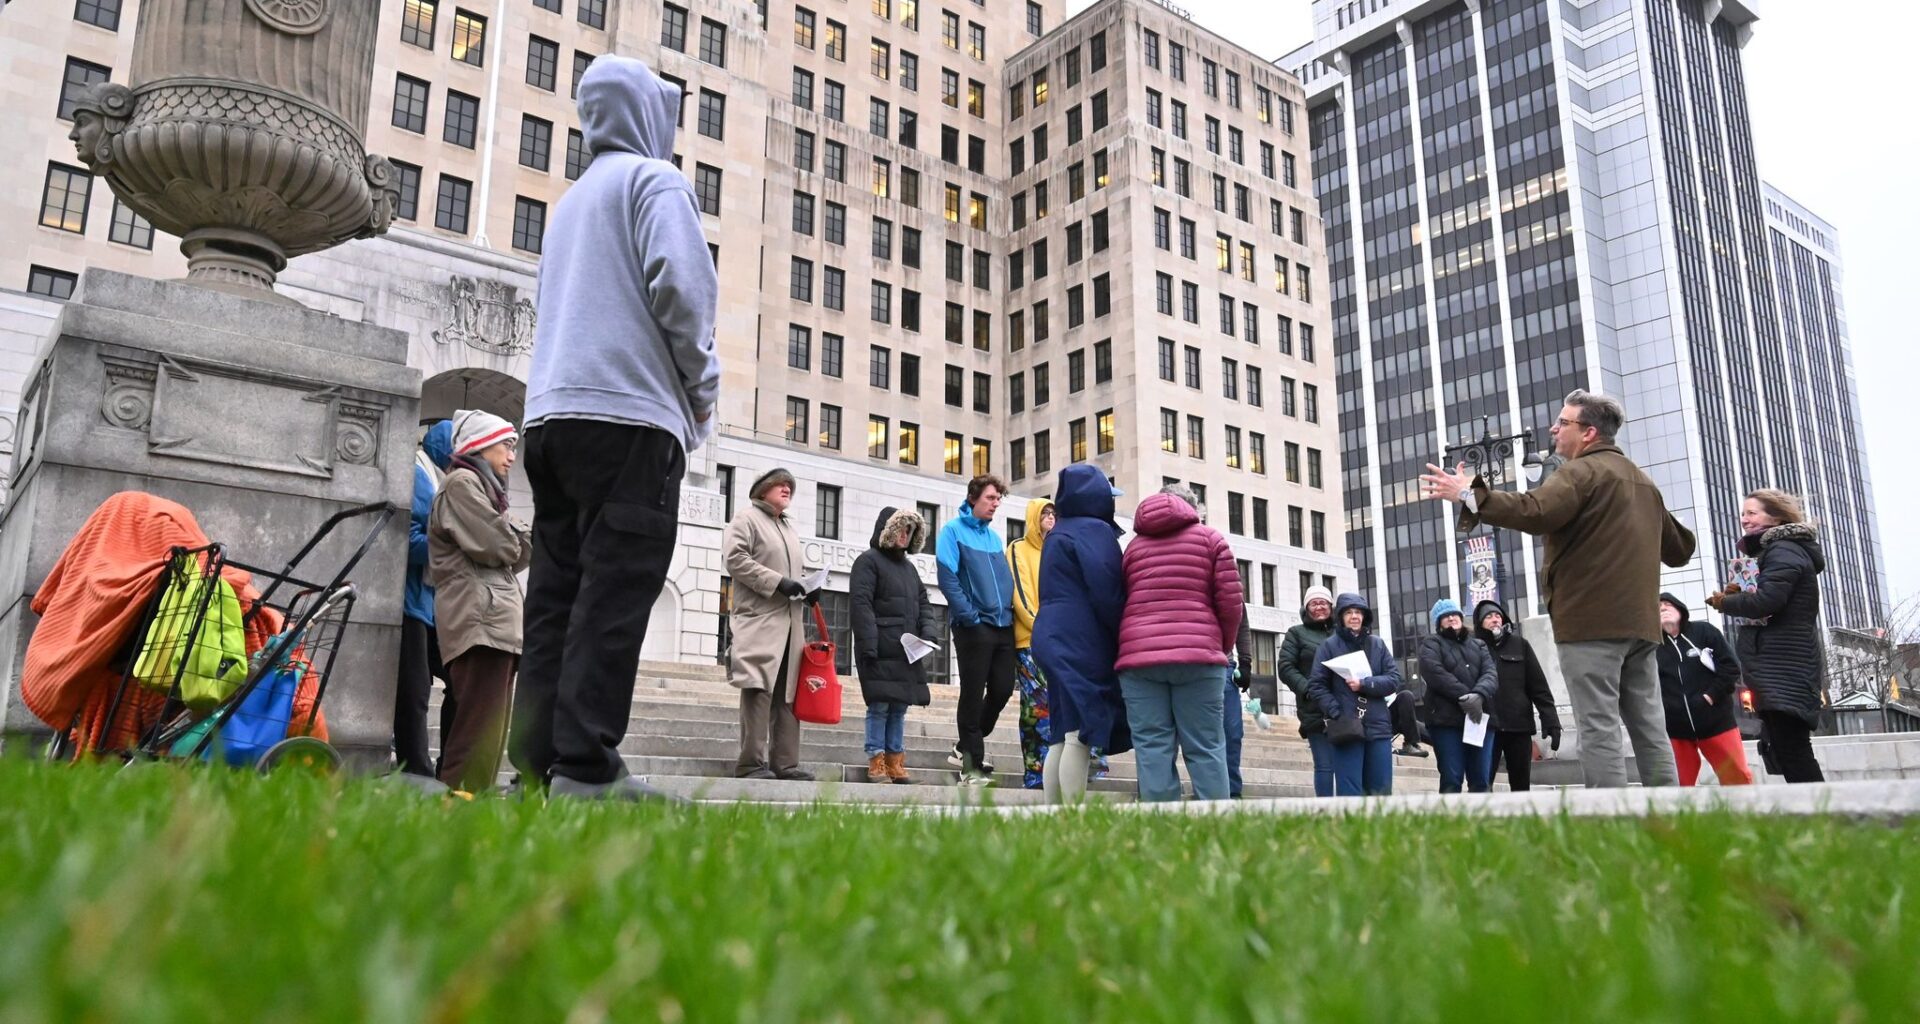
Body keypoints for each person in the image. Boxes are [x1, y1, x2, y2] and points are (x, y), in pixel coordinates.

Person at [513, 55, 720, 801]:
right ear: (644, 114)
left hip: (551, 419)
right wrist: (701, 393)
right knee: (616, 592)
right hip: (629, 417)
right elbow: (685, 294)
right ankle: (586, 767)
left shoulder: (570, 204)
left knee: (556, 596)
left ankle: (537, 762)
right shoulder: (654, 181)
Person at [1420, 389, 1694, 788]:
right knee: (1650, 727)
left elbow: (1535, 511)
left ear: (1588, 433)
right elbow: (1681, 549)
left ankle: (1610, 821)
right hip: (1640, 627)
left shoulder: (1580, 473)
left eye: (1563, 422)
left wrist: (1468, 492)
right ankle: (1673, 817)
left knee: (1598, 726)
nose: (1553, 428)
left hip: (1590, 625)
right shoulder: (1642, 482)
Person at [1115, 484, 1243, 802]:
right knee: (1206, 745)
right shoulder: (1211, 539)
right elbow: (1230, 604)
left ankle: (1161, 827)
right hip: (1199, 657)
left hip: (1140, 659)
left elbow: (1120, 600)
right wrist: (1220, 647)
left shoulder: (1133, 548)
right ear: (1192, 508)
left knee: (1152, 746)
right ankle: (1216, 828)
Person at [428, 410, 533, 794]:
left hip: (492, 621)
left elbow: (516, 553)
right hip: (479, 621)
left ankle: (471, 809)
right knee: (477, 727)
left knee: (488, 731)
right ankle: (456, 808)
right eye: (506, 445)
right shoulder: (462, 483)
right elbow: (501, 546)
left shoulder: (483, 489)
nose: (511, 456)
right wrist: (516, 534)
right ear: (479, 444)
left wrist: (512, 538)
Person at [1709, 489, 1826, 783]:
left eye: (1752, 513)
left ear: (1775, 517)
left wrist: (1726, 603)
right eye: (1743, 514)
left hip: (1785, 664)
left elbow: (1767, 601)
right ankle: (1811, 817)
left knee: (1793, 749)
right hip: (1779, 662)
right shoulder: (1775, 552)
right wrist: (1738, 593)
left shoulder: (1783, 550)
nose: (1744, 520)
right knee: (1785, 748)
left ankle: (1825, 817)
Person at [1032, 465, 1130, 805]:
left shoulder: (1059, 532)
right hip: (1080, 637)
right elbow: (1107, 591)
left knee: (1061, 732)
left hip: (1049, 633)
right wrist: (1124, 632)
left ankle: (1054, 814)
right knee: (1079, 733)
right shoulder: (1093, 531)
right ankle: (1072, 817)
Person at [722, 469, 816, 782]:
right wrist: (778, 582)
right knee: (758, 689)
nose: (788, 488)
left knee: (788, 694)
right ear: (763, 490)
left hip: (790, 622)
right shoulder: (746, 519)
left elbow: (791, 575)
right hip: (759, 620)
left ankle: (785, 764)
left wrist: (807, 588)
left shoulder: (788, 527)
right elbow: (735, 559)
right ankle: (750, 763)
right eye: (781, 484)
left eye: (791, 485)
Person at [936, 474, 1018, 785]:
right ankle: (971, 766)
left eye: (998, 499)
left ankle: (963, 746)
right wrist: (969, 617)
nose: (995, 504)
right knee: (972, 694)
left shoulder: (994, 538)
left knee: (1001, 690)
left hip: (1002, 625)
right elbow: (948, 580)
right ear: (973, 498)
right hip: (973, 627)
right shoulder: (951, 532)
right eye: (990, 498)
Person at [850, 507, 935, 785]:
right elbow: (861, 606)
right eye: (900, 528)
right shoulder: (868, 562)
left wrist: (928, 635)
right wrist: (869, 645)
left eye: (910, 530)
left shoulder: (910, 569)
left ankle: (895, 761)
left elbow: (924, 604)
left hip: (906, 651)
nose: (904, 534)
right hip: (880, 649)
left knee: (899, 706)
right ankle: (876, 761)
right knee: (879, 706)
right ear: (887, 529)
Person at [393, 420, 453, 778]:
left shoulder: (438, 479)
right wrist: (457, 548)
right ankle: (416, 770)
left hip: (432, 603)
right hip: (414, 602)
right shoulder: (420, 477)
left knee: (459, 684)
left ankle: (449, 769)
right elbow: (410, 542)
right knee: (415, 691)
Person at [1305, 593, 1401, 797]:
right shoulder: (1329, 646)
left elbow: (1393, 679)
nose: (1354, 616)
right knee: (1349, 793)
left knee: (1380, 791)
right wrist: (1336, 712)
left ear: (1365, 616)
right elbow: (1317, 685)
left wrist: (1364, 684)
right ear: (1340, 617)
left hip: (1378, 726)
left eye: (1358, 612)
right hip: (1346, 727)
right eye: (1348, 612)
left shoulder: (1377, 644)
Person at [1656, 592, 1752, 786]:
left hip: (1717, 722)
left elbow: (1731, 668)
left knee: (1737, 778)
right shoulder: (1653, 647)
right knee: (1678, 785)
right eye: (1658, 608)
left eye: (1667, 604)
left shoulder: (1704, 631)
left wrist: (1710, 696)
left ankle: (1744, 813)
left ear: (1680, 609)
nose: (1663, 608)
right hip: (1676, 729)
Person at [1474, 600, 1562, 792]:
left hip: (1518, 726)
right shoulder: (1473, 648)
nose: (1494, 619)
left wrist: (1551, 720)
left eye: (1498, 615)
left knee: (1521, 785)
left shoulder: (1520, 645)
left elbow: (1539, 686)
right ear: (1480, 624)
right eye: (1488, 617)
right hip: (1487, 727)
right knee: (1481, 783)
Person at [1417, 599, 1498, 793]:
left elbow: (1491, 674)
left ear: (1462, 618)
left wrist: (1478, 695)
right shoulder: (1431, 643)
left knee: (1481, 780)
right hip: (1446, 721)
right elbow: (1435, 673)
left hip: (1479, 719)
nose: (1451, 617)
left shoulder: (1479, 645)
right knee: (1451, 779)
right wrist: (1467, 696)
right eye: (1445, 616)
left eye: (1454, 614)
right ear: (1439, 623)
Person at [1006, 499, 1057, 789]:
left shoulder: (1058, 550)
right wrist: (1043, 629)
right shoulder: (1018, 549)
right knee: (1038, 707)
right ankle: (1036, 773)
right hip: (1030, 641)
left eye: (1053, 513)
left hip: (1059, 641)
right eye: (1045, 513)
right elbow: (1021, 597)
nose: (1050, 518)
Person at [1280, 586, 1338, 796]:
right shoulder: (1296, 633)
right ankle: (1324, 810)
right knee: (1324, 764)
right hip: (1314, 708)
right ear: (1306, 608)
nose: (1320, 607)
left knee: (1346, 764)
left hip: (1344, 706)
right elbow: (1286, 668)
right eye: (1314, 603)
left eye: (1324, 602)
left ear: (1331, 606)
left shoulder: (1342, 632)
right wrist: (1309, 690)